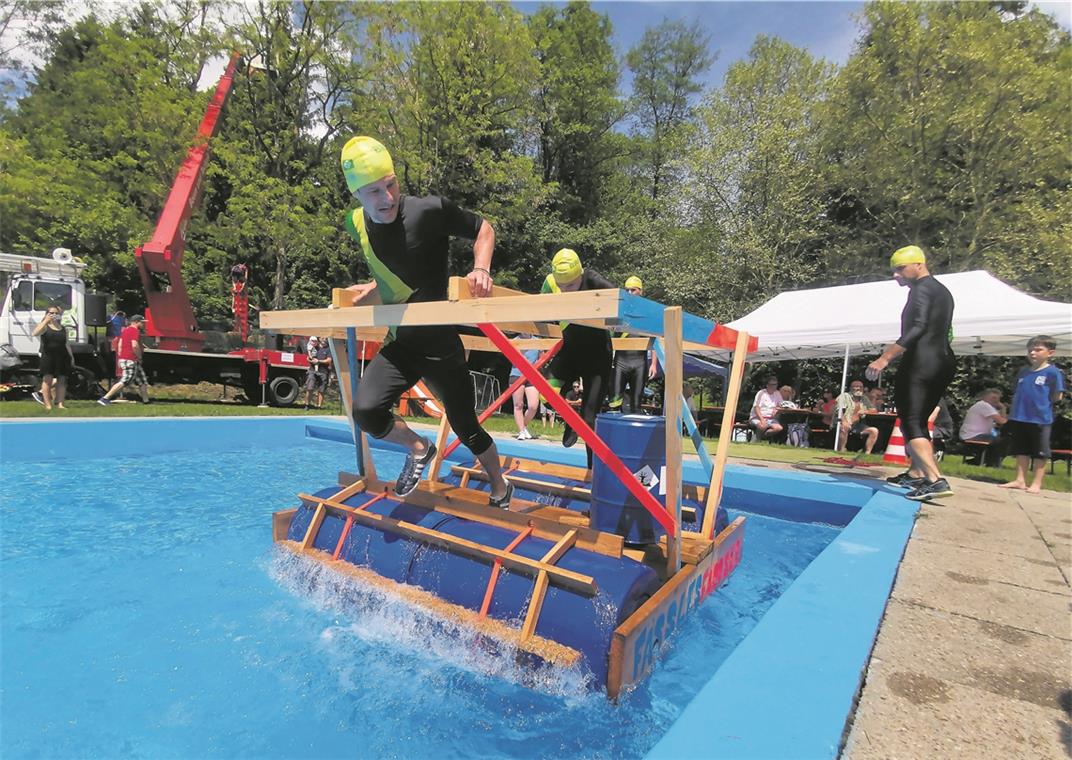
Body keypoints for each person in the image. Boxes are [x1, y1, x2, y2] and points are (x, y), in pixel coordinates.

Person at [339, 136, 512, 507]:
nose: (386, 198)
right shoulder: (356, 225)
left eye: (391, 184)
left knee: (466, 427)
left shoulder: (428, 211)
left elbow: (484, 229)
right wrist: (373, 287)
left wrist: (480, 268)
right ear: (356, 195)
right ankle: (419, 447)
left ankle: (500, 485)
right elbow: (394, 271)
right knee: (366, 411)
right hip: (402, 343)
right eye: (373, 192)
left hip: (440, 347)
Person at [867, 245, 956, 501]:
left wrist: (885, 357)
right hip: (943, 359)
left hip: (921, 361)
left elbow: (917, 327)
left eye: (900, 269)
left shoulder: (921, 289)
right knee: (920, 416)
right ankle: (916, 472)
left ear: (918, 265)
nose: (896, 275)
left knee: (911, 420)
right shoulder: (942, 290)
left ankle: (934, 480)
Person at [540, 249, 615, 468]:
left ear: (580, 275)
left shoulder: (591, 278)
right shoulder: (549, 282)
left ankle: (594, 467)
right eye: (561, 286)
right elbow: (538, 307)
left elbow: (617, 295)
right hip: (571, 350)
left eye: (571, 286)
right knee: (546, 392)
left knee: (591, 418)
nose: (565, 291)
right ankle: (572, 421)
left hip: (598, 355)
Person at [1000, 336, 1066, 493]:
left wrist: (1041, 404)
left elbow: (1057, 396)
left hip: (1040, 418)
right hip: (1019, 416)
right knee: (1021, 449)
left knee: (1040, 451)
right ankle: (1020, 480)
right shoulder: (1023, 371)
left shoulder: (1053, 372)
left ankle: (1036, 483)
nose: (1033, 352)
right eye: (1030, 349)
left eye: (1038, 349)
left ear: (1050, 352)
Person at [609, 276, 658, 414]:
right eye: (627, 290)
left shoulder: (647, 312)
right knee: (614, 402)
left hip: (639, 363)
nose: (630, 293)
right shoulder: (620, 309)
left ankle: (632, 434)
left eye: (633, 290)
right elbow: (609, 333)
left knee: (636, 404)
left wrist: (654, 364)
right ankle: (613, 434)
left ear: (640, 291)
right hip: (620, 362)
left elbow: (654, 339)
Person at [98, 314, 150, 405]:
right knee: (125, 380)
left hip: (126, 359)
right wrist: (139, 356)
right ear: (136, 322)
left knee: (142, 380)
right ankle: (105, 398)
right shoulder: (134, 331)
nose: (143, 324)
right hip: (131, 359)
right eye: (142, 322)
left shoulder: (125, 331)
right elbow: (134, 345)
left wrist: (120, 357)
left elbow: (120, 345)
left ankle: (146, 401)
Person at [31, 305, 74, 410]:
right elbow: (34, 333)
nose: (54, 315)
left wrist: (71, 357)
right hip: (49, 356)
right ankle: (47, 404)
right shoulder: (45, 326)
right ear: (47, 314)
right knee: (48, 380)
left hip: (62, 356)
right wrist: (45, 321)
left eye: (56, 313)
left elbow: (66, 344)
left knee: (62, 380)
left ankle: (60, 403)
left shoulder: (63, 328)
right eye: (51, 313)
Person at [959, 389, 1007, 466]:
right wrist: (1004, 408)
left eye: (997, 398)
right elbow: (1001, 421)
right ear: (985, 397)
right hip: (974, 435)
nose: (996, 400)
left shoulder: (983, 406)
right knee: (1005, 441)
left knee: (999, 440)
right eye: (993, 398)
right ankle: (992, 462)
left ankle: (979, 461)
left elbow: (1000, 422)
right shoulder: (984, 405)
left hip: (972, 434)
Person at [835, 380, 879, 454]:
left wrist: (865, 411)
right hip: (842, 422)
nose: (858, 389)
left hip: (857, 425)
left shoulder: (864, 398)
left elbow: (874, 410)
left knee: (874, 430)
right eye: (856, 387)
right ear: (851, 388)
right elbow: (839, 411)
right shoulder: (844, 396)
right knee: (845, 427)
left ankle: (867, 453)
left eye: (860, 387)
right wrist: (844, 421)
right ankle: (841, 450)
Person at [510, 345, 541, 440]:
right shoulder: (515, 341)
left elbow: (542, 358)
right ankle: (521, 431)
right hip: (517, 374)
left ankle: (523, 426)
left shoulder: (538, 342)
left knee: (533, 406)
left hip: (532, 375)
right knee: (518, 405)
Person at [303, 337, 333, 410]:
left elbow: (329, 360)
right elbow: (308, 357)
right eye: (323, 338)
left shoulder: (329, 349)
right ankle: (307, 405)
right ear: (319, 339)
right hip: (312, 370)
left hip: (323, 372)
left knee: (321, 390)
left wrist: (318, 361)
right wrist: (310, 359)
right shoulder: (314, 347)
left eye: (326, 338)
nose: (324, 340)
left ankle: (319, 406)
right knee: (310, 388)